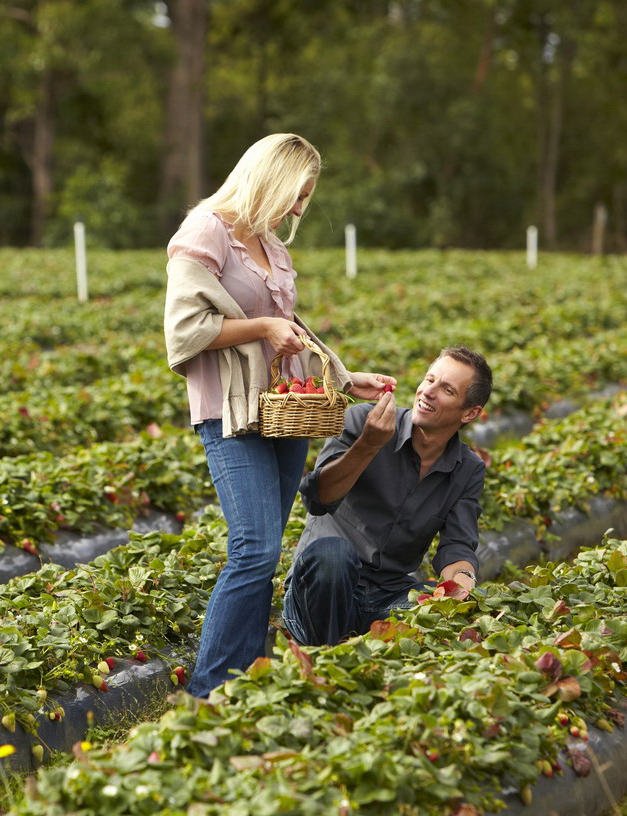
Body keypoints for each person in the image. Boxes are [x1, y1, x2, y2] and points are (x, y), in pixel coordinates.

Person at [163, 133, 396, 697]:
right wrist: (263, 328)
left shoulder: (273, 247)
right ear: (270, 179)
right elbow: (184, 332)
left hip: (282, 410)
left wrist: (343, 377)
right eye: (296, 195)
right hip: (228, 410)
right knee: (254, 547)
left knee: (265, 549)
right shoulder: (206, 231)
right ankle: (206, 691)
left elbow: (291, 328)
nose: (298, 209)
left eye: (305, 199)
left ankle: (244, 679)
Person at [281, 346, 493, 647]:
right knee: (333, 556)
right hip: (320, 592)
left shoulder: (467, 469)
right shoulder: (362, 421)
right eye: (429, 380)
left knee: (445, 614)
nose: (428, 392)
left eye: (446, 389)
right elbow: (318, 498)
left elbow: (457, 545)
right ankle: (325, 657)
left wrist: (462, 584)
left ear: (470, 413)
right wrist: (368, 445)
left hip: (386, 597)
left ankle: (360, 658)